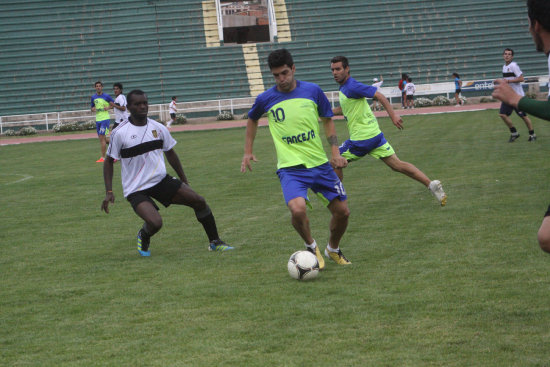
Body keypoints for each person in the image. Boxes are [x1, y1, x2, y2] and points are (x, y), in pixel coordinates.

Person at [241, 48, 351, 267]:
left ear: (293, 69)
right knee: (297, 209)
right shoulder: (266, 98)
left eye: (284, 73)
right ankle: (311, 246)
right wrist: (247, 151)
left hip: (319, 164)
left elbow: (328, 120)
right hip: (290, 168)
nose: (281, 79)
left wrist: (335, 154)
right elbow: (252, 119)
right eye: (276, 75)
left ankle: (333, 248)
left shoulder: (313, 91)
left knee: (343, 212)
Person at [101, 89, 233, 256]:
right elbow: (108, 162)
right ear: (129, 107)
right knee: (155, 223)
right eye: (137, 104)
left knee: (199, 201)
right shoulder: (120, 133)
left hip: (160, 180)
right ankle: (144, 234)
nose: (142, 107)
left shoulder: (158, 128)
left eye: (145, 103)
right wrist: (109, 191)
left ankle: (215, 242)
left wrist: (184, 179)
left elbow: (170, 153)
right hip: (136, 188)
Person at [330, 55, 447, 206]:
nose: (335, 72)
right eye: (332, 70)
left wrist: (393, 115)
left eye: (338, 69)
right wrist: (327, 112)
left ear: (347, 69)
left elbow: (379, 95)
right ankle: (431, 184)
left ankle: (337, 200)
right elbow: (345, 109)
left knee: (336, 159)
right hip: (375, 135)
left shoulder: (352, 86)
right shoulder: (346, 88)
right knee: (397, 165)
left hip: (363, 138)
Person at [492, 0, 550, 253]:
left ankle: (529, 132)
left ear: (535, 25)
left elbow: (524, 81)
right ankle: (519, 132)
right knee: (546, 237)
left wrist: (516, 97)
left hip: (516, 96)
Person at [497, 48, 536, 142]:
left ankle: (532, 134)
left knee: (523, 116)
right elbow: (507, 81)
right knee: (502, 114)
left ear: (512, 56)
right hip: (508, 96)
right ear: (503, 55)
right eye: (505, 54)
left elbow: (521, 78)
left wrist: (509, 81)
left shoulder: (514, 66)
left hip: (517, 97)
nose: (506, 55)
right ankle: (514, 133)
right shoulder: (504, 67)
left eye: (509, 54)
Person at [90, 81, 114, 163]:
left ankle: (103, 157)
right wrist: (93, 109)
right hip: (98, 120)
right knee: (104, 139)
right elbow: (92, 108)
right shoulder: (93, 97)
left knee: (101, 138)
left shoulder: (106, 96)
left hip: (105, 119)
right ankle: (116, 145)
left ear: (102, 87)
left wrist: (108, 107)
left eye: (99, 86)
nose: (98, 87)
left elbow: (113, 104)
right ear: (95, 87)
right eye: (97, 86)